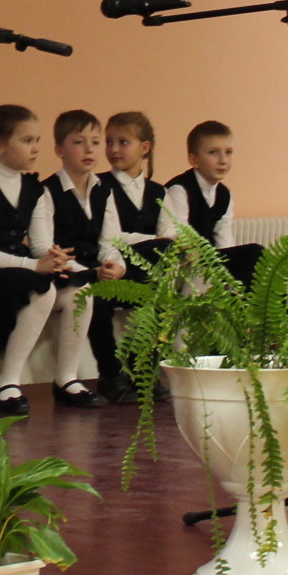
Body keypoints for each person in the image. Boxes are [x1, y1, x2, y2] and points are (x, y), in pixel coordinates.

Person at [0, 104, 74, 418]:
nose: (35, 149)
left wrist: (56, 259)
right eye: (27, 140)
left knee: (78, 291)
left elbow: (41, 245)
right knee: (42, 289)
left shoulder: (34, 189)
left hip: (18, 267)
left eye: (37, 141)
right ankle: (8, 382)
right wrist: (36, 267)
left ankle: (68, 378)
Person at [43, 109, 122, 409]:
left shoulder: (105, 190)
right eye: (79, 142)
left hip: (96, 268)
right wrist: (90, 272)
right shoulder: (47, 191)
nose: (89, 150)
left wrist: (115, 265)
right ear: (59, 149)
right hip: (66, 271)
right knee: (93, 294)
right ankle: (110, 374)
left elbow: (110, 241)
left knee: (144, 287)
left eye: (95, 142)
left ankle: (147, 375)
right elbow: (46, 247)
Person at [100, 110, 173, 400]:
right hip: (112, 262)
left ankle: (145, 367)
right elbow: (111, 236)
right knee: (161, 256)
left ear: (144, 148)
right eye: (109, 142)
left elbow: (169, 235)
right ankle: (134, 369)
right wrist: (151, 240)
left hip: (149, 267)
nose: (114, 149)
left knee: (165, 263)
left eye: (123, 142)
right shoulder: (100, 185)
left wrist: (157, 242)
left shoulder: (159, 191)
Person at [164, 119, 262, 283]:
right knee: (253, 252)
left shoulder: (224, 195)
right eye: (213, 152)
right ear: (193, 160)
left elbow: (225, 243)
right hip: (183, 267)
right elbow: (177, 238)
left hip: (209, 264)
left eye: (228, 152)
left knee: (254, 262)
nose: (223, 160)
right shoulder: (179, 190)